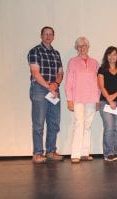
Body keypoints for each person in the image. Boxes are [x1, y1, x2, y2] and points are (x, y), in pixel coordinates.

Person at [27, 26, 64, 163]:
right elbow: (35, 73)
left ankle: (51, 151)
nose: (48, 36)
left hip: (54, 89)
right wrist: (49, 86)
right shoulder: (34, 51)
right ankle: (37, 153)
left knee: (54, 122)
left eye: (50, 34)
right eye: (45, 34)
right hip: (40, 89)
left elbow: (60, 73)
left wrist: (56, 84)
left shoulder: (56, 53)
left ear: (53, 36)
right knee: (39, 123)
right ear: (41, 36)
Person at [65, 37, 99, 163]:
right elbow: (68, 82)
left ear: (88, 47)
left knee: (88, 125)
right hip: (77, 98)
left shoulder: (95, 63)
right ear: (76, 48)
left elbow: (98, 82)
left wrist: (98, 99)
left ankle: (85, 153)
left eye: (84, 45)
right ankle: (75, 154)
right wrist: (69, 99)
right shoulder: (72, 62)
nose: (82, 48)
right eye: (79, 46)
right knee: (79, 124)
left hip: (92, 98)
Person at [98, 46, 117, 162]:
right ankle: (108, 153)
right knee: (109, 128)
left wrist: (114, 97)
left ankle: (114, 152)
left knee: (116, 128)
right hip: (105, 102)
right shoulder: (102, 69)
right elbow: (101, 86)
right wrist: (109, 100)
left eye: (114, 54)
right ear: (106, 56)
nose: (112, 57)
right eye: (109, 54)